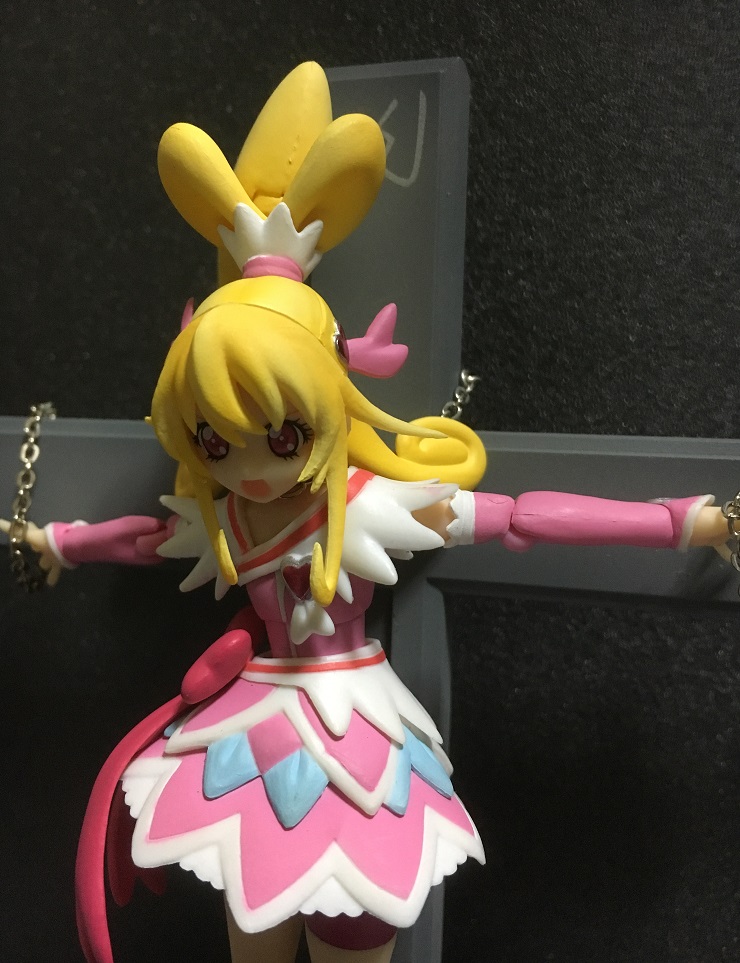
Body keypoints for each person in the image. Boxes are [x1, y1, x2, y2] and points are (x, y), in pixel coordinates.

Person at [4, 63, 732, 963]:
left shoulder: (370, 507)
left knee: (356, 919)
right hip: (253, 733)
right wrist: (59, 541)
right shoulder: (222, 520)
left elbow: (519, 518)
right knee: (253, 917)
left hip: (354, 730)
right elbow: (147, 539)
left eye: (280, 434)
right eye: (217, 441)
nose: (252, 469)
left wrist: (680, 520)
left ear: (330, 399)